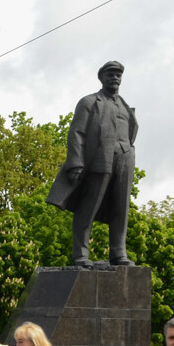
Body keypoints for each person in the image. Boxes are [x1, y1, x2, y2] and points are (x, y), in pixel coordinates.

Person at [45, 60, 138, 268]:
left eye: (118, 75)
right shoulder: (89, 102)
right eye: (110, 74)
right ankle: (80, 254)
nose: (115, 78)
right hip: (99, 159)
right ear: (102, 78)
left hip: (124, 159)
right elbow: (76, 133)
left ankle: (118, 253)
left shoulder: (125, 105)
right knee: (89, 206)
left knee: (121, 209)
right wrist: (75, 162)